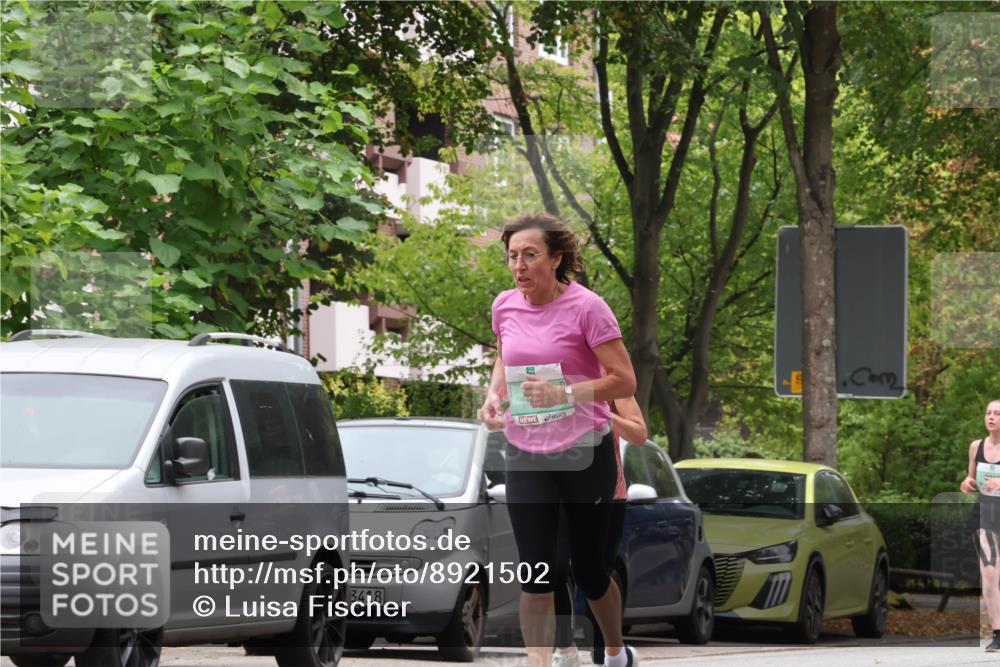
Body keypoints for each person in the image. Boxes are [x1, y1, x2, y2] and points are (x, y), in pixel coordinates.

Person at [478, 212, 639, 667]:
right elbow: (504, 359)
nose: (519, 265)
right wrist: (494, 396)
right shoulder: (504, 305)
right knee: (536, 571)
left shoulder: (588, 308)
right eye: (512, 256)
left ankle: (613, 649)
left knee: (589, 572)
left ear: (556, 258)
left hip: (585, 452)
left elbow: (624, 381)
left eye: (530, 254)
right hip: (526, 451)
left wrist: (566, 393)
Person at [552, 397, 647, 667]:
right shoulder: (551, 375)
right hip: (555, 490)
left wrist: (602, 414)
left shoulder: (612, 381)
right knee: (552, 568)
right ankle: (564, 648)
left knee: (593, 573)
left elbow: (639, 434)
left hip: (606, 493)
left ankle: (607, 651)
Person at [960, 399, 1000, 652]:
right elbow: (970, 478)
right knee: (990, 573)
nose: (992, 417)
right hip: (984, 514)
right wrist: (967, 483)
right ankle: (998, 632)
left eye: (997, 413)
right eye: (988, 413)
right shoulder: (977, 447)